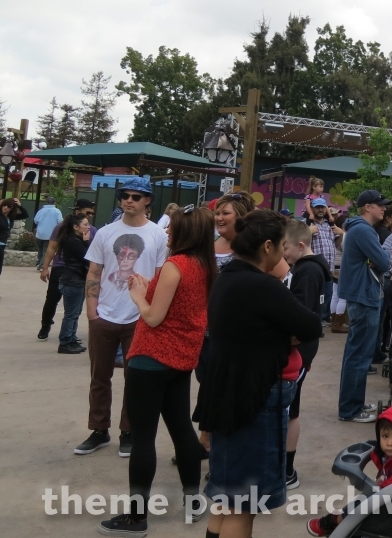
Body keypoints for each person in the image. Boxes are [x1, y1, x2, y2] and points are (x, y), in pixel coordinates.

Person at [198, 210, 322, 538]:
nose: (285, 254)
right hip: (254, 402)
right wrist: (285, 333)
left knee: (226, 496)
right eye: (282, 246)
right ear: (267, 246)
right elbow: (309, 325)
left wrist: (279, 331)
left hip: (229, 398)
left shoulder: (229, 278)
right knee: (245, 504)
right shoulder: (262, 287)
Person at [97, 206, 216, 537]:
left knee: (143, 439)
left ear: (186, 233)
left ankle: (136, 518)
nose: (167, 232)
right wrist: (151, 284)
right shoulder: (204, 265)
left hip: (151, 359)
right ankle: (193, 502)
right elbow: (180, 304)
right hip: (180, 362)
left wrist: (137, 295)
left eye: (172, 228)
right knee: (181, 431)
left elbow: (152, 317)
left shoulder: (176, 265)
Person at [76, 177, 168, 457]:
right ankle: (99, 429)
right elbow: (94, 271)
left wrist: (153, 313)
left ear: (147, 200)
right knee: (99, 376)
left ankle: (129, 431)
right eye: (124, 195)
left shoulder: (158, 235)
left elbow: (162, 277)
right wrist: (92, 311)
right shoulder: (105, 233)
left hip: (139, 318)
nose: (129, 200)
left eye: (136, 196)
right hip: (105, 314)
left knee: (136, 380)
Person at [306, 404, 392, 537]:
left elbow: (389, 493)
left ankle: (333, 522)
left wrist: (379, 486)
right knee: (363, 496)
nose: (390, 443)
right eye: (385, 436)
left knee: (361, 501)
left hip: (391, 513)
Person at [281, 220, 331, 488]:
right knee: (291, 408)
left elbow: (303, 314)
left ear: (300, 245)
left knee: (290, 409)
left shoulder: (308, 272)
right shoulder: (305, 268)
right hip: (301, 349)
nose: (283, 253)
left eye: (285, 247)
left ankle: (287, 470)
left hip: (300, 352)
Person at [337, 190, 392, 423]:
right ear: (368, 207)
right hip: (364, 296)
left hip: (360, 295)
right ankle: (351, 409)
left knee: (356, 354)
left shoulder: (356, 228)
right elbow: (385, 261)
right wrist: (381, 255)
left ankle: (354, 403)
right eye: (380, 205)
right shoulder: (363, 230)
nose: (384, 209)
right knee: (360, 355)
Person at [38, 198, 96, 341]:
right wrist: (45, 267)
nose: (89, 216)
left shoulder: (92, 230)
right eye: (87, 213)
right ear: (78, 211)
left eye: (92, 214)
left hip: (80, 271)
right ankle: (46, 325)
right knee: (52, 299)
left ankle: (70, 334)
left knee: (75, 307)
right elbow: (52, 247)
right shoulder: (61, 227)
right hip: (60, 267)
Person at [53, 213, 92, 354]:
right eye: (85, 224)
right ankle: (65, 341)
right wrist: (86, 242)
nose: (88, 227)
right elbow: (87, 258)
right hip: (72, 281)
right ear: (76, 227)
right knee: (71, 314)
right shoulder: (74, 241)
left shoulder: (75, 239)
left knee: (75, 313)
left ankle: (71, 338)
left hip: (76, 280)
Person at [307, 197, 342, 325]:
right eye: (317, 207)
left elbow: (336, 245)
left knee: (328, 294)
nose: (320, 210)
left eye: (322, 207)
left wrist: (341, 234)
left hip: (329, 267)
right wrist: (308, 233)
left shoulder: (329, 226)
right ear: (312, 209)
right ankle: (317, 319)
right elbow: (300, 242)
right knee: (317, 295)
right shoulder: (308, 225)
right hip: (315, 267)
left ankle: (324, 317)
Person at [0, 196, 27, 276]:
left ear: (12, 209)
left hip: (2, 244)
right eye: (4, 205)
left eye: (8, 207)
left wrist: (19, 205)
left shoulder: (10, 218)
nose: (5, 208)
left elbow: (25, 215)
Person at [33, 196, 62, 270]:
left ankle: (39, 262)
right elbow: (60, 221)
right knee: (46, 250)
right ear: (54, 203)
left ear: (46, 202)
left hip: (39, 234)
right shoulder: (57, 211)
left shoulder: (41, 210)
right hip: (50, 234)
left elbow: (36, 220)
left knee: (40, 250)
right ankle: (41, 265)